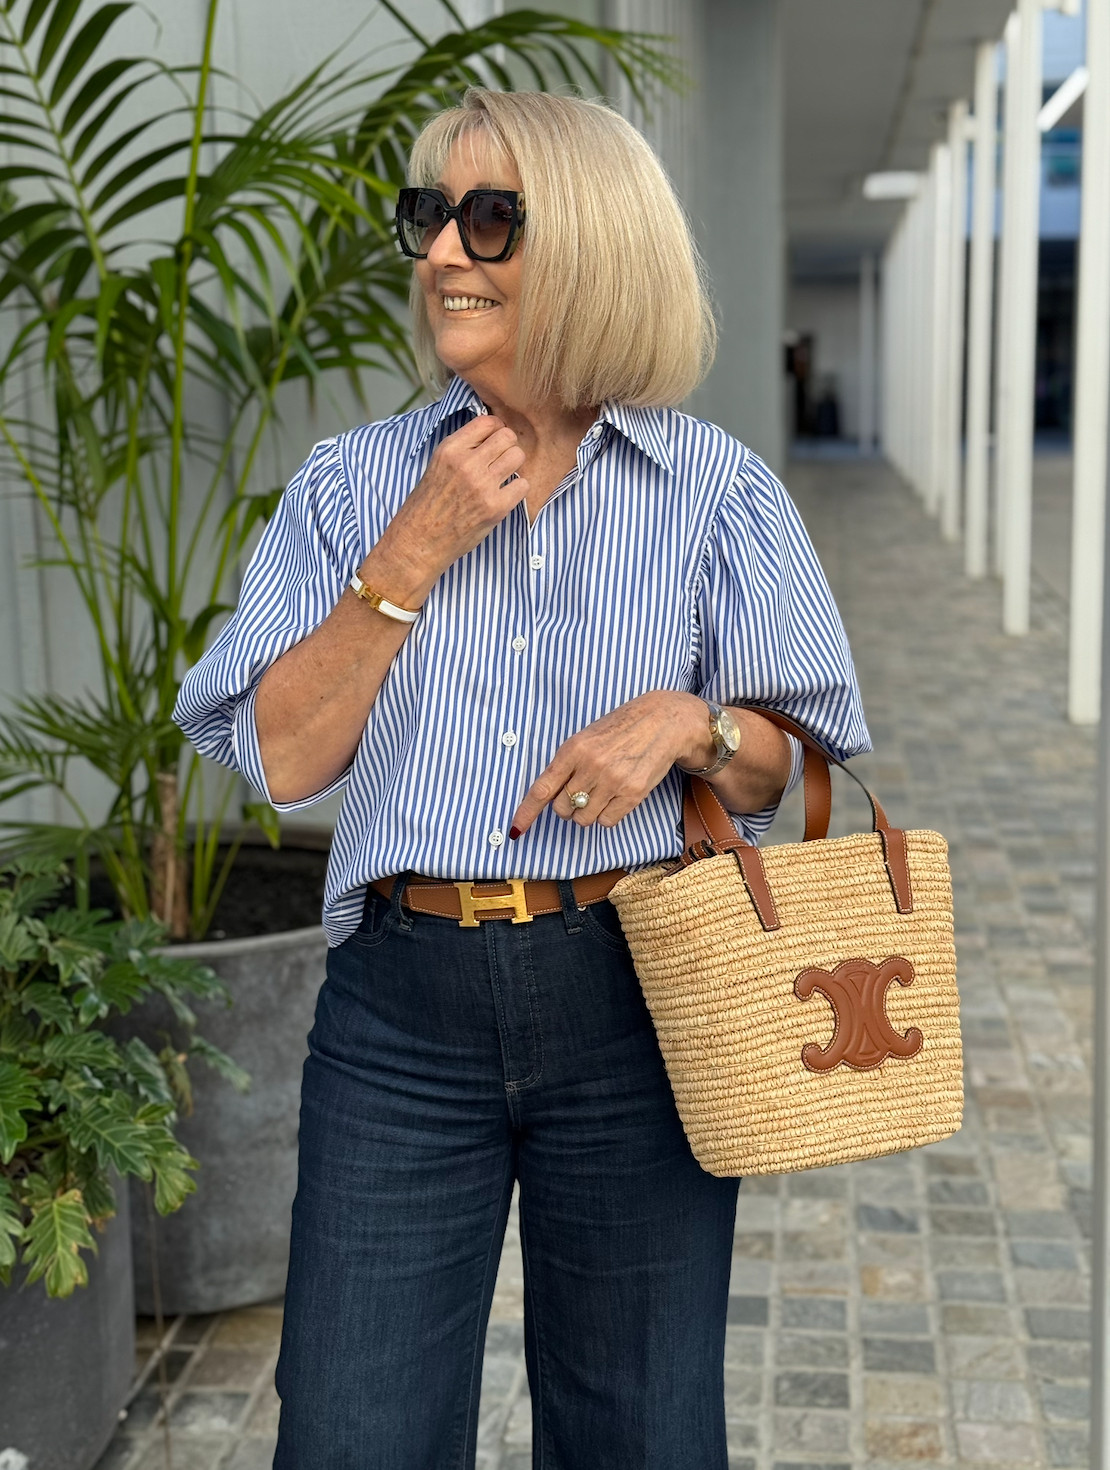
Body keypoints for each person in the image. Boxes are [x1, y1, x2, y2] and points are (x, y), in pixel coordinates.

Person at [175, 87, 869, 1470]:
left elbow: (777, 770)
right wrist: (409, 554)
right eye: (426, 215)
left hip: (637, 992)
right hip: (398, 1013)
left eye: (489, 218)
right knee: (351, 1434)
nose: (440, 251)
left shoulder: (712, 490)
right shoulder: (346, 485)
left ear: (595, 244)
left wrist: (687, 720)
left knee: (642, 1430)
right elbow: (282, 754)